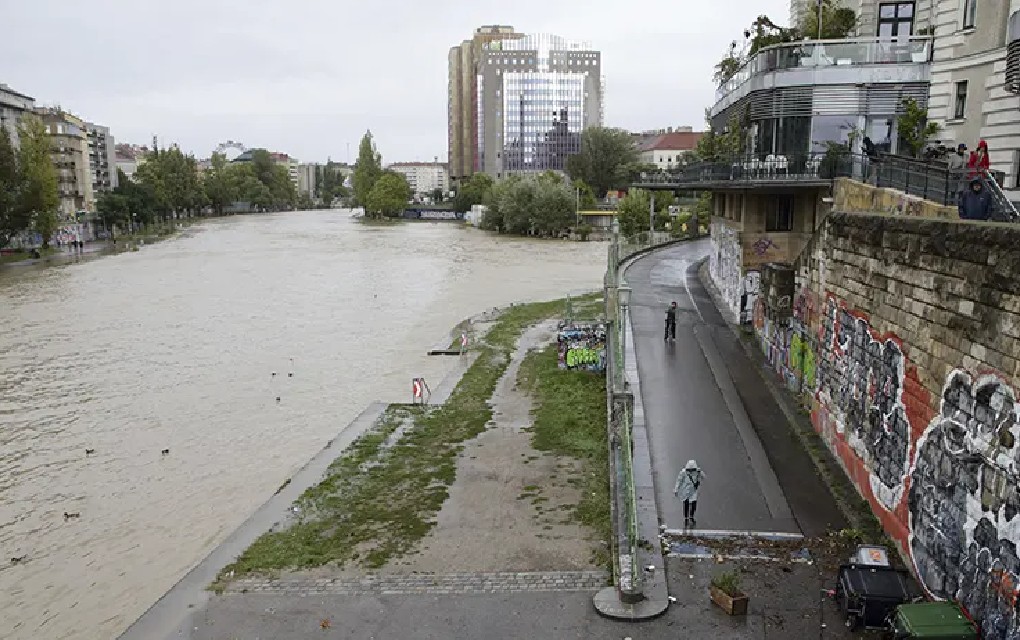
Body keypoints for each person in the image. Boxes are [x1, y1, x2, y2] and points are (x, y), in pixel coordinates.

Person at [674, 460, 705, 527]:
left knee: (693, 504)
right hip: (685, 491)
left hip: (693, 491)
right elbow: (679, 481)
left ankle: (691, 516)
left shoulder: (697, 472)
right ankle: (686, 517)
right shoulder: (683, 472)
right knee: (686, 504)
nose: (691, 471)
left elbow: (703, 477)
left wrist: (700, 472)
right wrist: (676, 489)